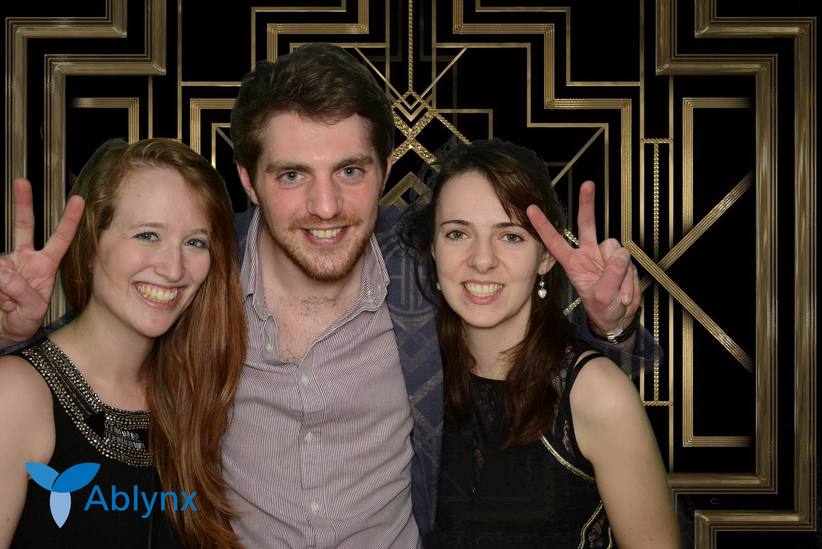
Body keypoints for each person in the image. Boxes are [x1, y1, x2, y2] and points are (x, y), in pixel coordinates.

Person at [0, 43, 659, 548]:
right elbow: (97, 350)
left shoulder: (429, 264)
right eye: (292, 174)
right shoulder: (196, 269)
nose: (325, 206)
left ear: (386, 169)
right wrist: (12, 335)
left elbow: (534, 336)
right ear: (249, 182)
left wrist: (613, 325)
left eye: (349, 170)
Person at [399, 138, 678, 547]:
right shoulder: (409, 379)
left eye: (510, 236)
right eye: (457, 233)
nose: (481, 260)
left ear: (546, 257)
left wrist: (615, 329)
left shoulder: (598, 393)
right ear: (432, 250)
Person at [0, 138, 246, 548]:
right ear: (90, 245)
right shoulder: (17, 393)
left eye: (196, 242)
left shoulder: (193, 394)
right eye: (148, 235)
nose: (173, 269)